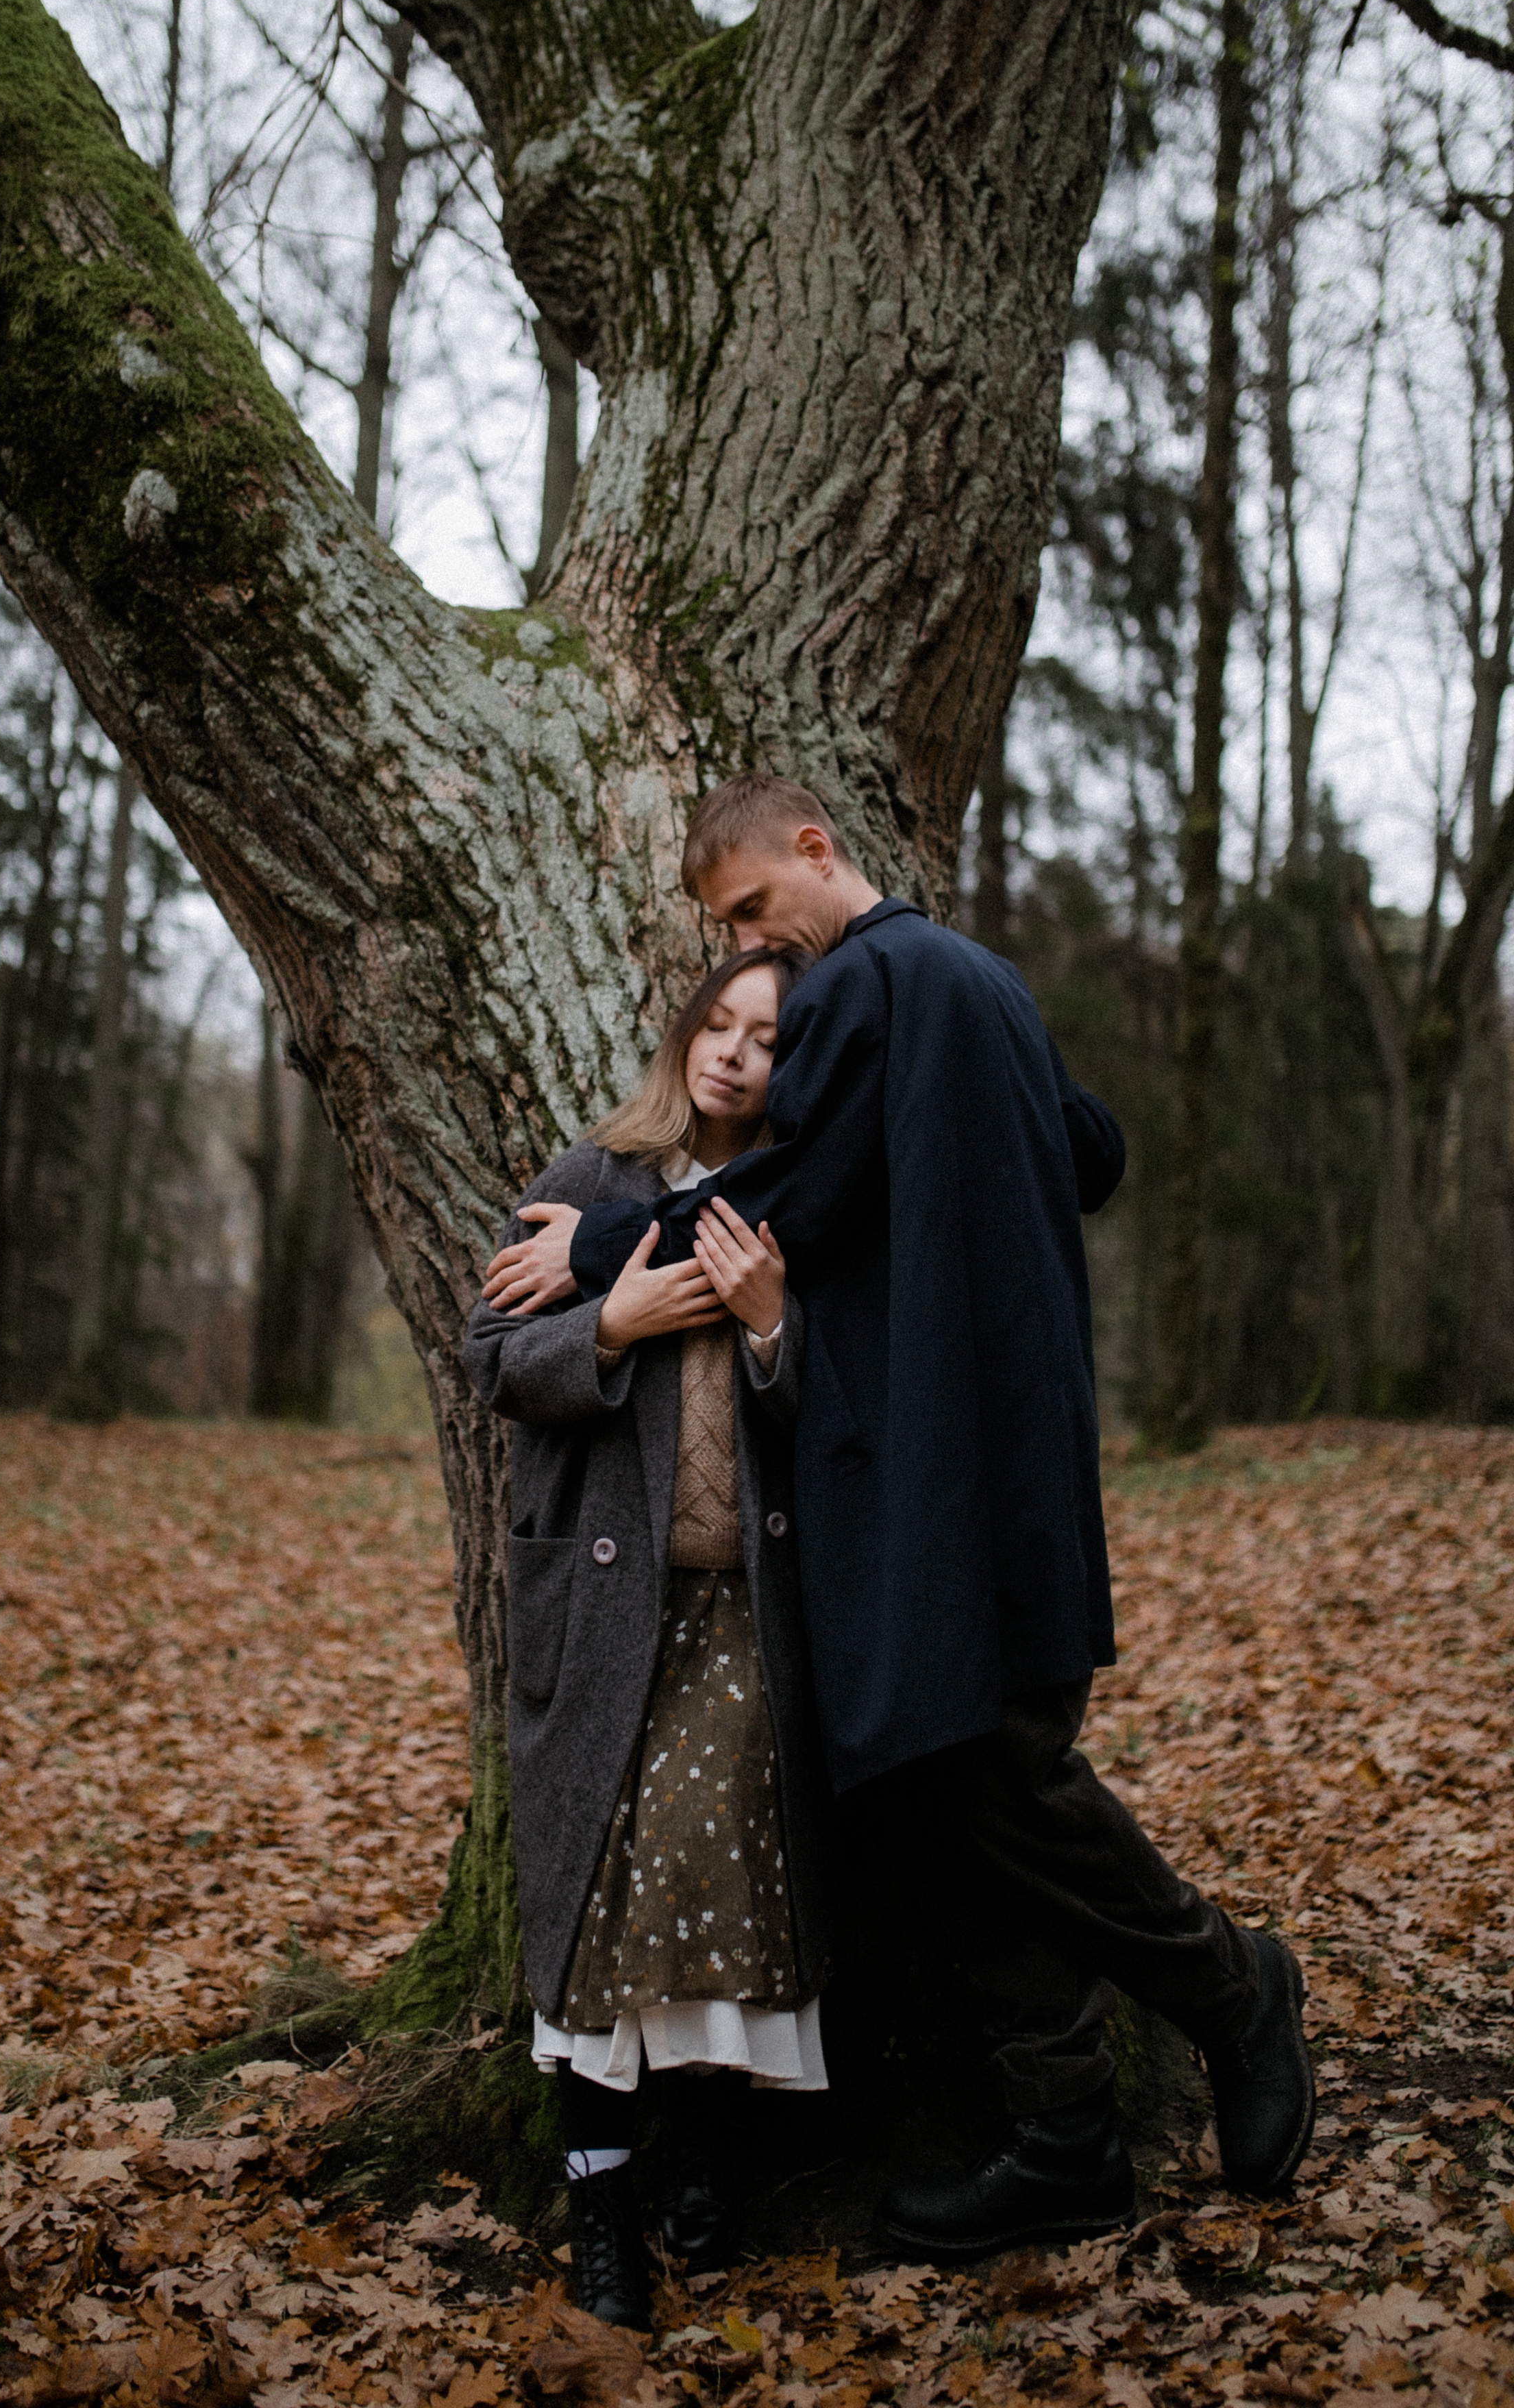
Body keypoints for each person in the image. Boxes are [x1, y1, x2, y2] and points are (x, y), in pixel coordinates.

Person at [482, 773, 1315, 2264]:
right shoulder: (977, 988)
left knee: (992, 1768)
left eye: (749, 907)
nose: (753, 947)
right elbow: (1094, 1151)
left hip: (936, 1475)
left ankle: (1227, 1991)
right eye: (727, 937)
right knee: (941, 1789)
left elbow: (790, 1189)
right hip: (991, 1467)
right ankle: (1062, 2135)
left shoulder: (869, 978)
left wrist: (603, 1242)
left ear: (815, 853)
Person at [462, 945, 832, 2329]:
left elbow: (849, 1411)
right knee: (601, 1900)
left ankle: (711, 2166)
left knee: (724, 1882)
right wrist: (606, 1325)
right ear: (682, 1036)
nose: (736, 1054)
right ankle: (601, 2207)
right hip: (605, 1611)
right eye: (718, 1026)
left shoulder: (802, 1201)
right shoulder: (590, 1185)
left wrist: (771, 1328)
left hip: (748, 1612)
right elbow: (490, 1360)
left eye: (770, 1039)